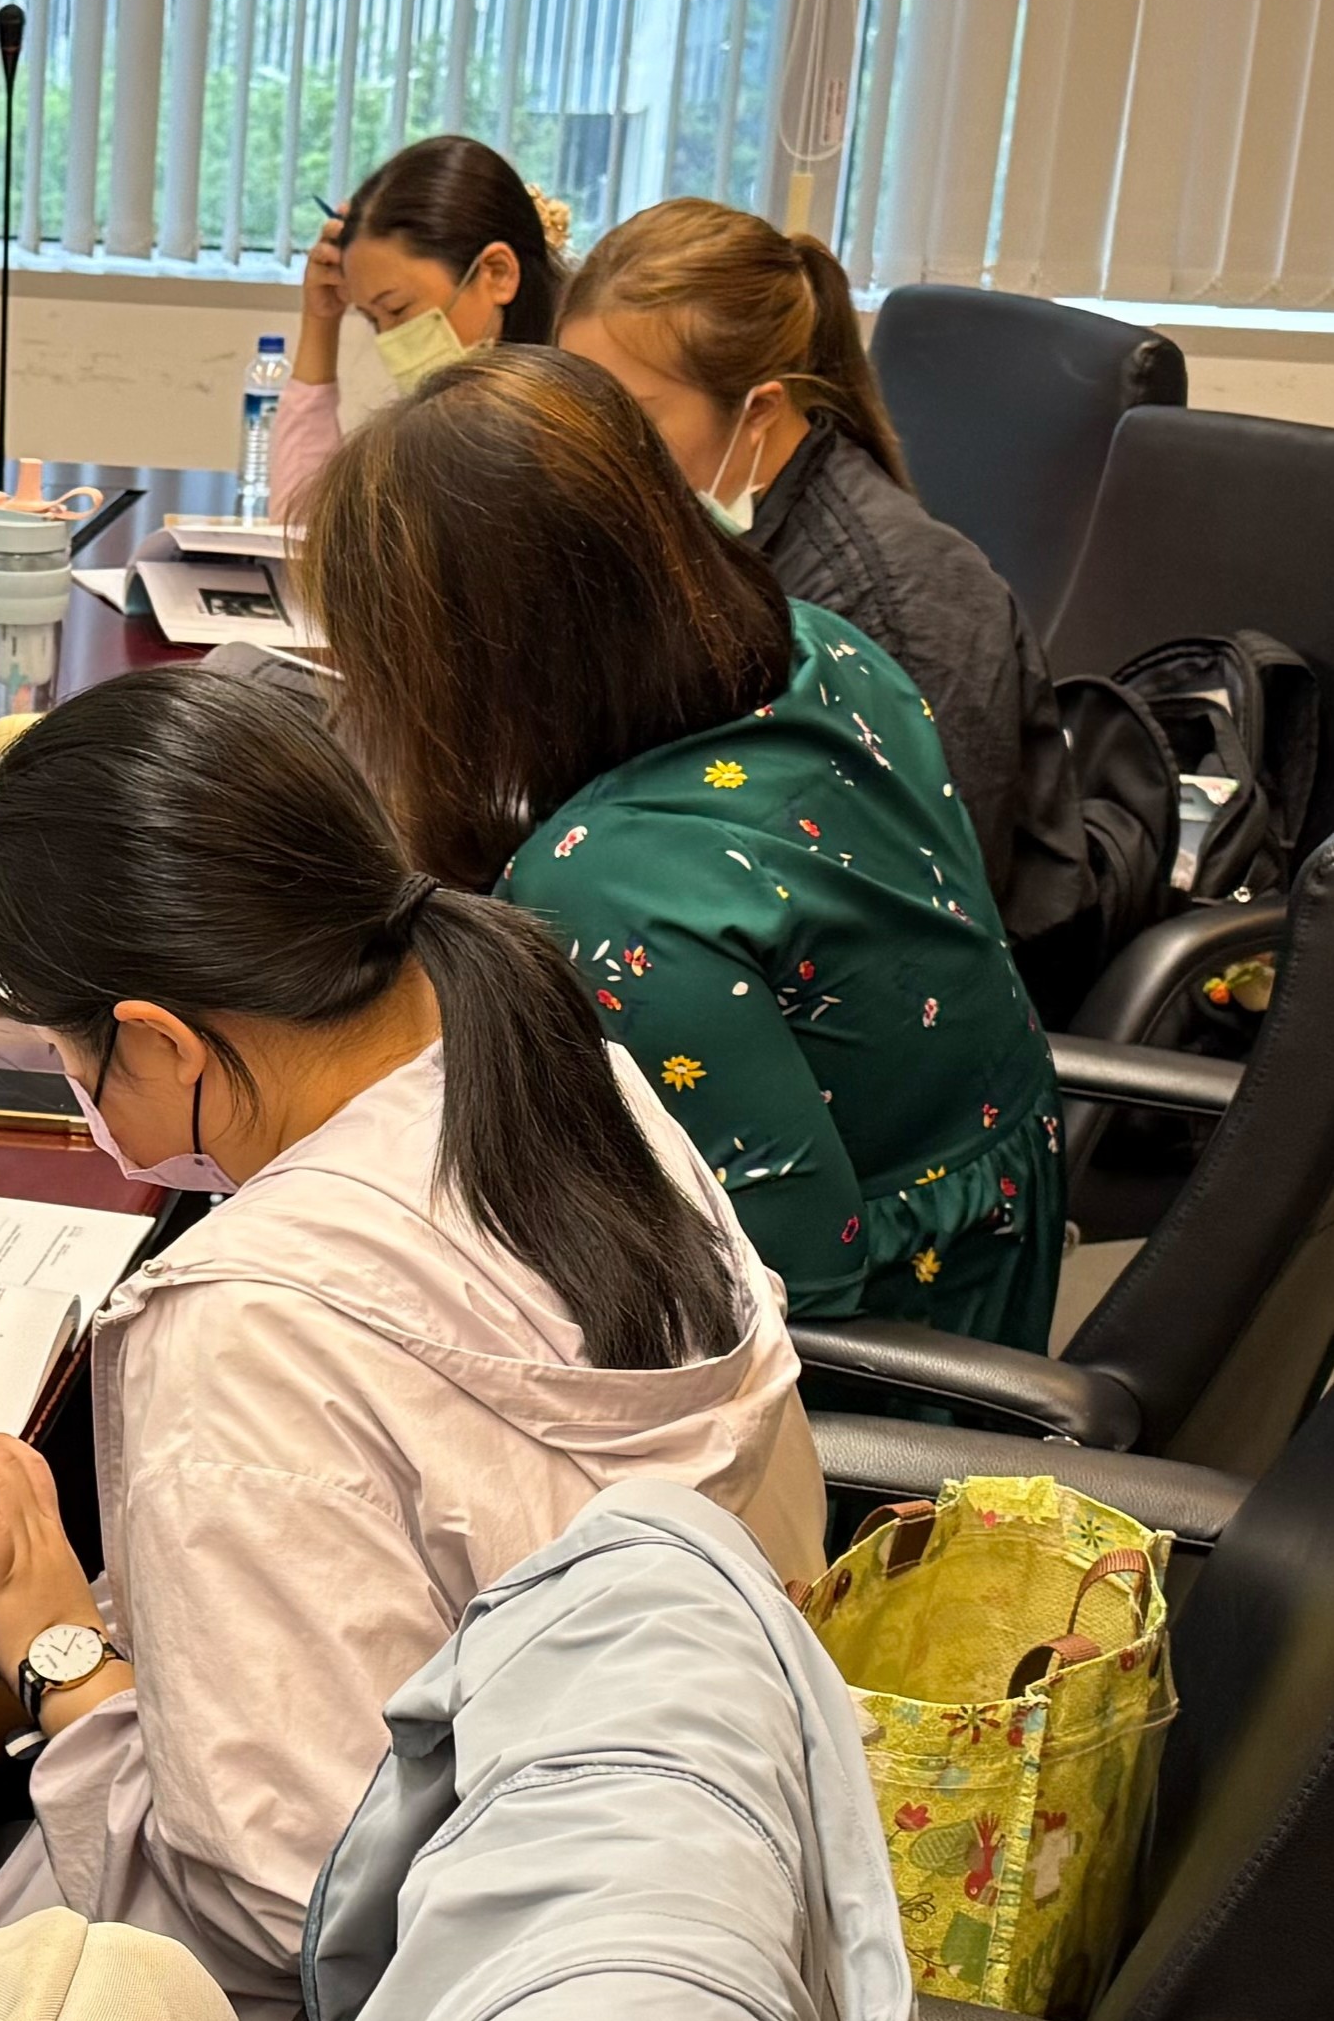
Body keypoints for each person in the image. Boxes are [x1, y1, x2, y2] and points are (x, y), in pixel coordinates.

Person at [0, 668, 822, 2021]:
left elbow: (288, 1909)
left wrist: (61, 1660)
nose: (77, 1091)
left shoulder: (245, 1326)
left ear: (157, 1039)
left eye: (66, 1052)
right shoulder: (559, 1062)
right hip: (696, 1869)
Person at [308, 348, 1065, 1351]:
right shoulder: (822, 645)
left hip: (878, 1338)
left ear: (484, 654)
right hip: (996, 1217)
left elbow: (777, 1289)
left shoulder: (609, 886)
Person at [559, 196, 1091, 960]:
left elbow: (929, 912)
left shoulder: (897, 604)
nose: (594, 453)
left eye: (631, 421)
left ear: (758, 410)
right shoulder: (692, 527)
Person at [273, 134, 569, 510]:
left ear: (497, 273)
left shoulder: (566, 430)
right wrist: (320, 322)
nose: (390, 340)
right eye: (372, 319)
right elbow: (302, 526)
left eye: (398, 309)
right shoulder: (444, 426)